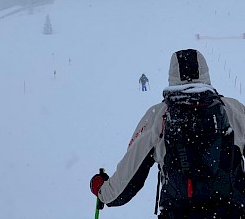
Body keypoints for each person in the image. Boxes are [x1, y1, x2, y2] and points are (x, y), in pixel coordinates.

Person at [90, 49, 245, 218]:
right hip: (232, 211)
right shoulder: (233, 110)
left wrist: (102, 190)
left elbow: (124, 184)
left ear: (171, 76)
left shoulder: (158, 116)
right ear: (206, 73)